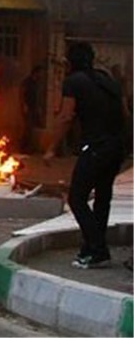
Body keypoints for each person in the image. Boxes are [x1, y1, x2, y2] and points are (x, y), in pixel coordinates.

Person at [44, 42, 129, 269]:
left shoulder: (73, 83)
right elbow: (125, 113)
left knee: (77, 198)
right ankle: (91, 248)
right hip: (115, 147)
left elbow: (65, 117)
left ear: (71, 62)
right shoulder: (108, 80)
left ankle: (98, 249)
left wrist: (51, 148)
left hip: (95, 148)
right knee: (102, 199)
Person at [19, 65, 45, 154]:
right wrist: (24, 105)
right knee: (28, 128)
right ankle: (23, 148)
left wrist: (38, 108)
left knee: (33, 129)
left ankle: (30, 148)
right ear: (36, 72)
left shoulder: (36, 83)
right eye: (40, 73)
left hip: (34, 108)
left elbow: (37, 97)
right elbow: (22, 93)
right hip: (28, 108)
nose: (41, 75)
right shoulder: (27, 81)